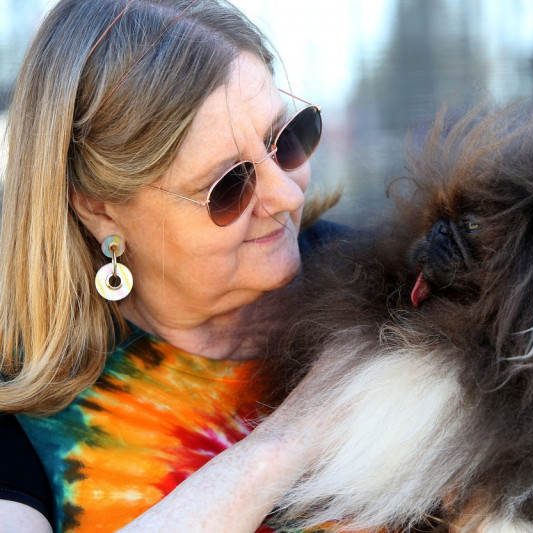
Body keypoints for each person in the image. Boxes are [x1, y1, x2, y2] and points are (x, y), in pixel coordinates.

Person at [0, 1, 338, 531]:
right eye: (228, 185)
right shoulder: (23, 395)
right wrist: (282, 445)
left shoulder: (392, 290)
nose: (285, 195)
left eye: (286, 139)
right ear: (99, 207)